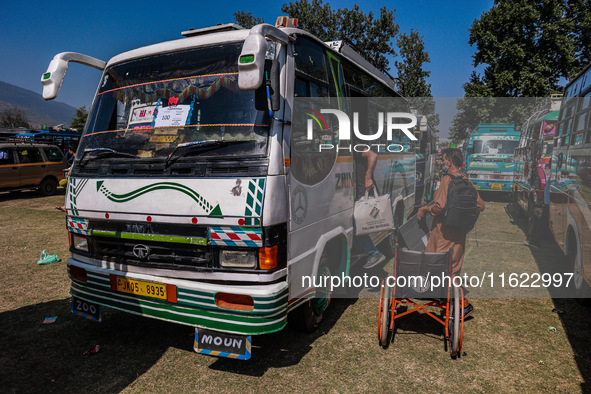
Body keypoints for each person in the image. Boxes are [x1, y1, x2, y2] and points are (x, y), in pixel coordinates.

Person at [417, 148, 485, 316]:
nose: (442, 162)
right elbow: (481, 205)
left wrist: (425, 209)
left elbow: (439, 206)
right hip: (460, 231)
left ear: (451, 162)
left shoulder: (447, 179)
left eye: (444, 159)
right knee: (452, 268)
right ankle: (450, 299)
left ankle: (462, 304)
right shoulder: (465, 180)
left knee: (439, 265)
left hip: (443, 231)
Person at [354, 149, 386, 269]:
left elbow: (373, 155)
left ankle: (374, 252)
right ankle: (363, 249)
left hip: (366, 191)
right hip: (363, 192)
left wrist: (367, 177)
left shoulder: (356, 147)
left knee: (357, 221)